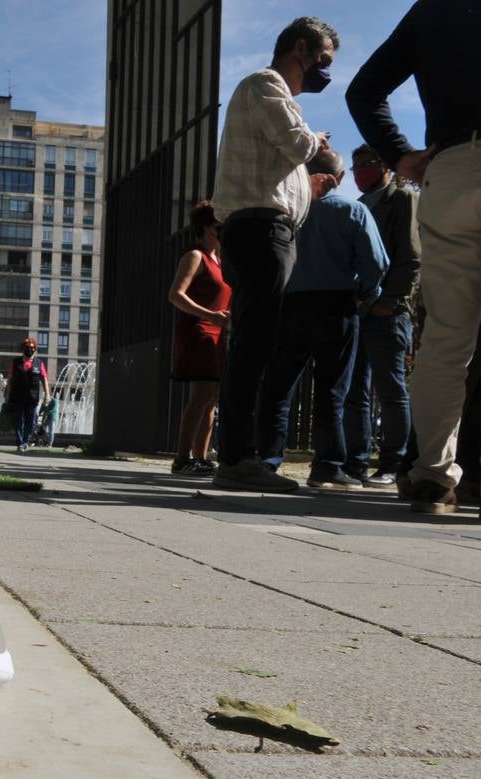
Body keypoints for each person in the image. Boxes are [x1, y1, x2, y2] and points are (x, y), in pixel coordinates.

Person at [346, 0, 481, 520]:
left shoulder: (432, 9)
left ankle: (432, 476)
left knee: (444, 340)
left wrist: (400, 155)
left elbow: (363, 91)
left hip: (448, 168)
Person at [211, 16, 337, 492]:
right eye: (323, 59)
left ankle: (241, 455)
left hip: (264, 230)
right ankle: (239, 458)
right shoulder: (267, 85)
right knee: (254, 345)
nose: (325, 70)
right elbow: (299, 144)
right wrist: (318, 139)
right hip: (261, 231)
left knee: (255, 343)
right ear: (300, 50)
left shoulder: (266, 92)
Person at [255, 149, 389, 490]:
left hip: (290, 304)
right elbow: (377, 262)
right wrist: (366, 293)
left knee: (278, 388)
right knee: (332, 389)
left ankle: (267, 461)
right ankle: (327, 466)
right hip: (336, 304)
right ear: (337, 179)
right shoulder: (352, 210)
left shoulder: (288, 212)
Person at [342, 143, 419, 488]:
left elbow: (410, 256)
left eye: (368, 164)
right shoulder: (356, 206)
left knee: (391, 389)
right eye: (356, 165)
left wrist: (391, 300)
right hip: (357, 311)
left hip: (388, 311)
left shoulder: (401, 200)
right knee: (355, 390)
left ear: (386, 167)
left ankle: (393, 462)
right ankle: (355, 462)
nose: (360, 171)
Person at [167, 200, 231, 475]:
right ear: (206, 227)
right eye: (220, 226)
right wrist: (210, 314)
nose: (224, 230)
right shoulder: (195, 256)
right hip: (199, 330)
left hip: (217, 332)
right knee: (201, 396)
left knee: (211, 398)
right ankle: (182, 459)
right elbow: (175, 295)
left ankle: (201, 457)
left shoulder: (219, 259)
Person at [6, 337, 49, 453]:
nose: (29, 349)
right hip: (17, 396)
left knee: (31, 422)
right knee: (18, 421)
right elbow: (10, 379)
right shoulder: (15, 362)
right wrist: (8, 395)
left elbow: (44, 379)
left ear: (35, 349)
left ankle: (25, 441)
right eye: (26, 347)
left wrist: (47, 395)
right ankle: (20, 443)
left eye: (31, 348)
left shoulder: (39, 363)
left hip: (32, 398)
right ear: (22, 349)